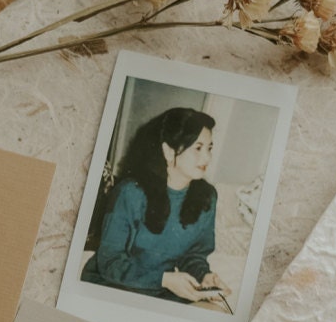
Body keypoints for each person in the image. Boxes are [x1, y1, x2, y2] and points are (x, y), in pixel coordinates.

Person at [82, 107, 232, 307]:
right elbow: (110, 263)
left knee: (215, 313)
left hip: (163, 291)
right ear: (168, 151)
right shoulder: (130, 193)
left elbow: (193, 255)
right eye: (198, 148)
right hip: (113, 285)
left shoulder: (207, 197)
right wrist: (164, 279)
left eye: (209, 148)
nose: (207, 158)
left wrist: (204, 276)